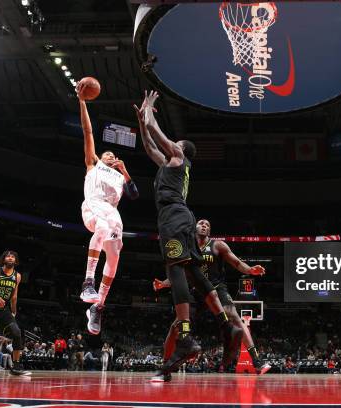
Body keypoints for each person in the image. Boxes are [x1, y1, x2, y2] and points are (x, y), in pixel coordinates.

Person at [134, 91, 243, 382]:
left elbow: (161, 139)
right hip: (182, 217)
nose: (172, 147)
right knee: (194, 270)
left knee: (176, 269)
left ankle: (185, 337)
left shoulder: (179, 156)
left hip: (173, 217)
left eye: (175, 145)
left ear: (182, 149)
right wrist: (142, 124)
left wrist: (150, 114)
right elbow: (149, 146)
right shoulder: (169, 167)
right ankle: (225, 324)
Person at [154, 219, 270, 373]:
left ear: (209, 231)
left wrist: (249, 270)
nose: (204, 225)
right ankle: (166, 366)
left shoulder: (217, 245)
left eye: (207, 225)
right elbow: (181, 275)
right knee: (176, 326)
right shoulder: (188, 248)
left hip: (216, 288)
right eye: (201, 223)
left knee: (233, 316)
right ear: (195, 227)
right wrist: (163, 283)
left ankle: (257, 360)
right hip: (196, 292)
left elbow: (236, 263)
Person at [76, 80, 139, 335]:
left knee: (114, 259)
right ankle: (87, 281)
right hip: (93, 208)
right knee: (100, 228)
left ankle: (98, 306)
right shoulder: (93, 164)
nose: (111, 156)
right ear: (100, 158)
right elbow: (88, 132)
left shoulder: (119, 176)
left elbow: (135, 194)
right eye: (108, 154)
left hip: (114, 216)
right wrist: (82, 102)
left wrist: (125, 170)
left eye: (114, 155)